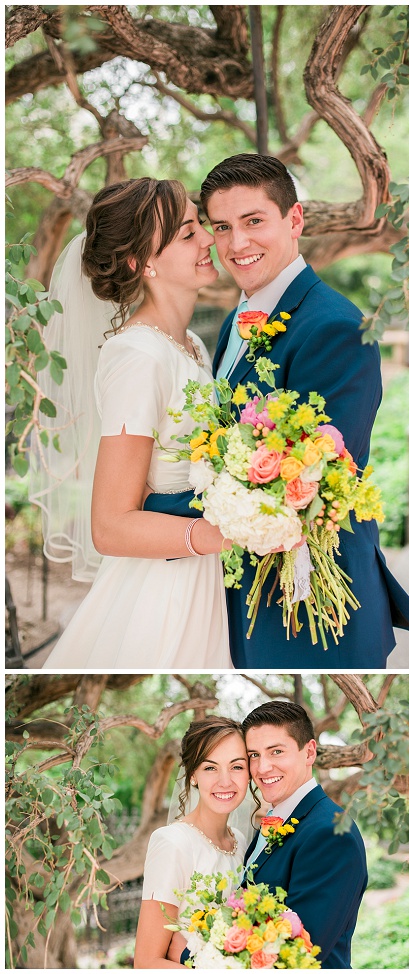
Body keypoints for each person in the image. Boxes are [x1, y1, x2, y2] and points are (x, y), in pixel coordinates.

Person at [142, 153, 409, 668]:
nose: (237, 244)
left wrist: (149, 513)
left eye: (254, 221)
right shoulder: (236, 320)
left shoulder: (335, 327)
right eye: (222, 227)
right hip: (248, 587)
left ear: (294, 220)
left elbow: (306, 480)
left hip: (312, 600)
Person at [38, 178, 231, 667]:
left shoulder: (192, 346)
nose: (209, 239)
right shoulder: (138, 355)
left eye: (201, 226)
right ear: (141, 262)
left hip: (209, 575)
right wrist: (218, 534)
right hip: (167, 585)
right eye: (188, 233)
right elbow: (109, 526)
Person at [237, 701, 367, 969]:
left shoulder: (330, 833)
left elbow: (301, 952)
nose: (262, 768)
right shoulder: (277, 820)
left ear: (309, 753)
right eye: (254, 755)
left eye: (276, 752)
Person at [135, 716, 252, 968]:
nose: (225, 781)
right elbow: (146, 963)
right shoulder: (173, 843)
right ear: (192, 776)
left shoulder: (240, 842)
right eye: (210, 767)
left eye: (237, 766)